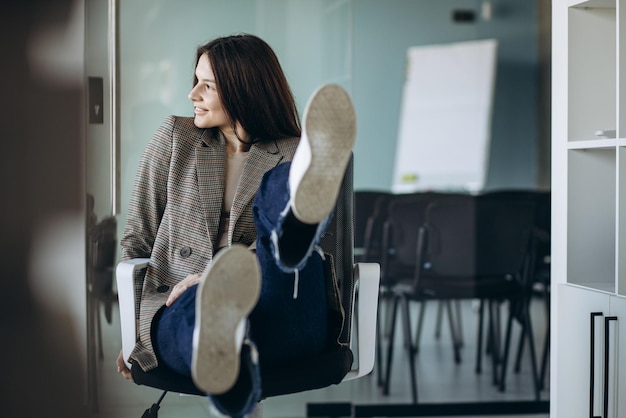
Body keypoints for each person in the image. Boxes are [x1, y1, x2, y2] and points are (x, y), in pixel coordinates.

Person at [115, 33, 356, 417]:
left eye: (207, 85)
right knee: (202, 309)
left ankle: (290, 222)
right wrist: (132, 331)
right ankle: (224, 336)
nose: (192, 94)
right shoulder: (176, 139)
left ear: (243, 90)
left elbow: (327, 259)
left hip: (282, 305)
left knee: (282, 211)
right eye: (195, 81)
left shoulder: (295, 151)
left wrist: (230, 268)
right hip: (185, 308)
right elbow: (138, 237)